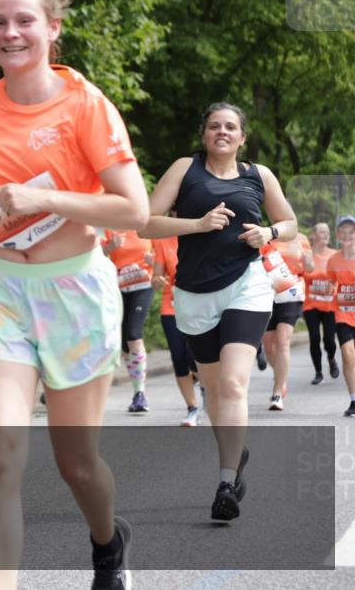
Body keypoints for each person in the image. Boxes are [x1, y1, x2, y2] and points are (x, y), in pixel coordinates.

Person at [0, 0, 146, 590]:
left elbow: (132, 210)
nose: (11, 32)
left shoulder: (86, 104)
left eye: (25, 20)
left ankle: (109, 544)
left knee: (76, 464)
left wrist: (50, 202)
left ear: (53, 30)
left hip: (73, 292)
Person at [141, 101, 297, 521]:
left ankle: (226, 481)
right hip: (193, 294)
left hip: (246, 286)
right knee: (213, 392)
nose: (222, 132)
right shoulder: (184, 169)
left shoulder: (258, 176)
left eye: (231, 127)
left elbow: (290, 224)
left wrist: (269, 232)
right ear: (204, 134)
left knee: (231, 385)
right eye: (215, 126)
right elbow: (145, 223)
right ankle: (235, 452)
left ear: (242, 137)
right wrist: (196, 224)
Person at [152, 231, 204, 426]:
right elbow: (156, 277)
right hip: (171, 305)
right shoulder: (162, 240)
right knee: (179, 357)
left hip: (199, 305)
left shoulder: (200, 234)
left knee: (195, 356)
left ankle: (206, 386)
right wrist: (157, 280)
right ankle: (192, 408)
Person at [102, 229, 155, 413]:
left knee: (133, 334)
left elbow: (162, 256)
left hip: (144, 285)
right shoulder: (109, 228)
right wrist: (110, 247)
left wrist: (155, 261)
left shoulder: (144, 226)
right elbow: (96, 256)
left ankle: (140, 393)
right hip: (118, 289)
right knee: (124, 342)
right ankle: (136, 391)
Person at [259, 232, 310, 409]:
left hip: (292, 293)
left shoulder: (301, 238)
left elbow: (309, 268)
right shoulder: (264, 234)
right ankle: (280, 377)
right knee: (269, 347)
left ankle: (277, 393)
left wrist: (307, 259)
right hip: (268, 294)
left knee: (282, 341)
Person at [302, 222, 340, 384]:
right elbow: (299, 275)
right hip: (310, 304)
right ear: (314, 235)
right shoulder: (306, 255)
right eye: (322, 231)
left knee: (329, 340)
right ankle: (318, 372)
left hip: (331, 305)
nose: (326, 234)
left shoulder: (335, 255)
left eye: (327, 232)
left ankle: (331, 358)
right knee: (314, 337)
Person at [327, 214, 355, 417]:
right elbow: (331, 283)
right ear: (338, 235)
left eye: (351, 231)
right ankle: (354, 400)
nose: (347, 235)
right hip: (343, 314)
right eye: (343, 231)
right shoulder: (333, 260)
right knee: (347, 354)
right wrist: (329, 289)